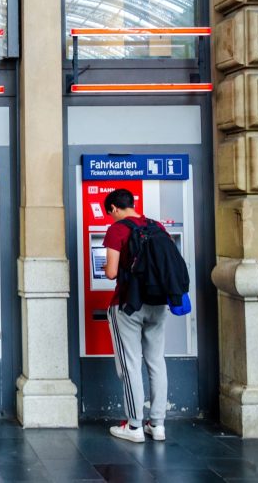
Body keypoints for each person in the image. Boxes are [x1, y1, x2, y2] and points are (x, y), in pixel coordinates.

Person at [102, 188, 168, 443]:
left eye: (110, 213)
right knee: (156, 362)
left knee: (130, 364)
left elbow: (110, 272)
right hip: (158, 303)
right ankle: (158, 424)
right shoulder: (157, 227)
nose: (111, 217)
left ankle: (134, 426)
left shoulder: (117, 229)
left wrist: (106, 264)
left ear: (114, 209)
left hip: (129, 304)